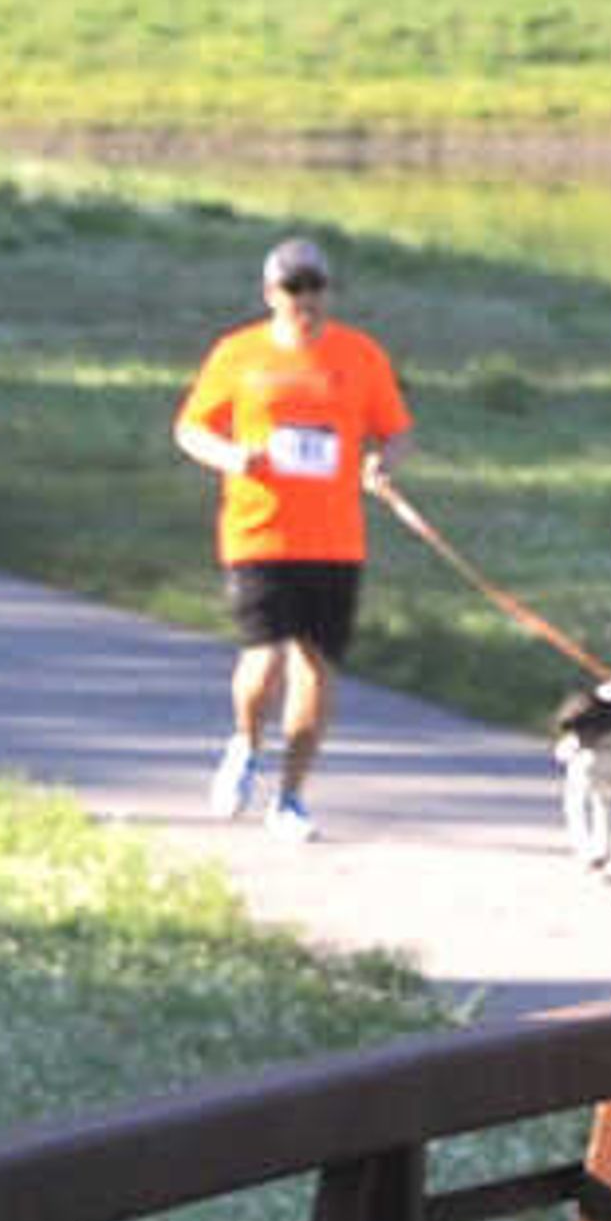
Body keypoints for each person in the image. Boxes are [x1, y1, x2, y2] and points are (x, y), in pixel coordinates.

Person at [172, 233, 411, 846]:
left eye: (315, 287)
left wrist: (383, 463)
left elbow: (396, 429)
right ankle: (246, 744)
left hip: (335, 541)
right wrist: (232, 455)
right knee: (264, 657)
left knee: (317, 668)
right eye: (293, 287)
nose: (305, 299)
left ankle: (291, 797)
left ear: (328, 292)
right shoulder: (239, 354)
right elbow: (191, 429)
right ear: (270, 293)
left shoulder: (360, 355)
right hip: (260, 531)